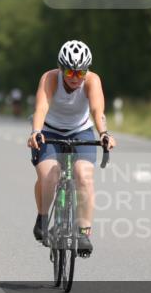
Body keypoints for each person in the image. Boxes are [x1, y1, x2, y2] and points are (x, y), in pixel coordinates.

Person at [27, 40, 116, 257]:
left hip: (81, 130)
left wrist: (104, 134)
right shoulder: (49, 78)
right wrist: (36, 131)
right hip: (49, 130)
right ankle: (43, 217)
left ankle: (83, 231)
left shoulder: (92, 80)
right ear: (60, 68)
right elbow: (41, 107)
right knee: (50, 175)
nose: (75, 77)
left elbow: (97, 110)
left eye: (80, 72)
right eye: (69, 71)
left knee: (83, 176)